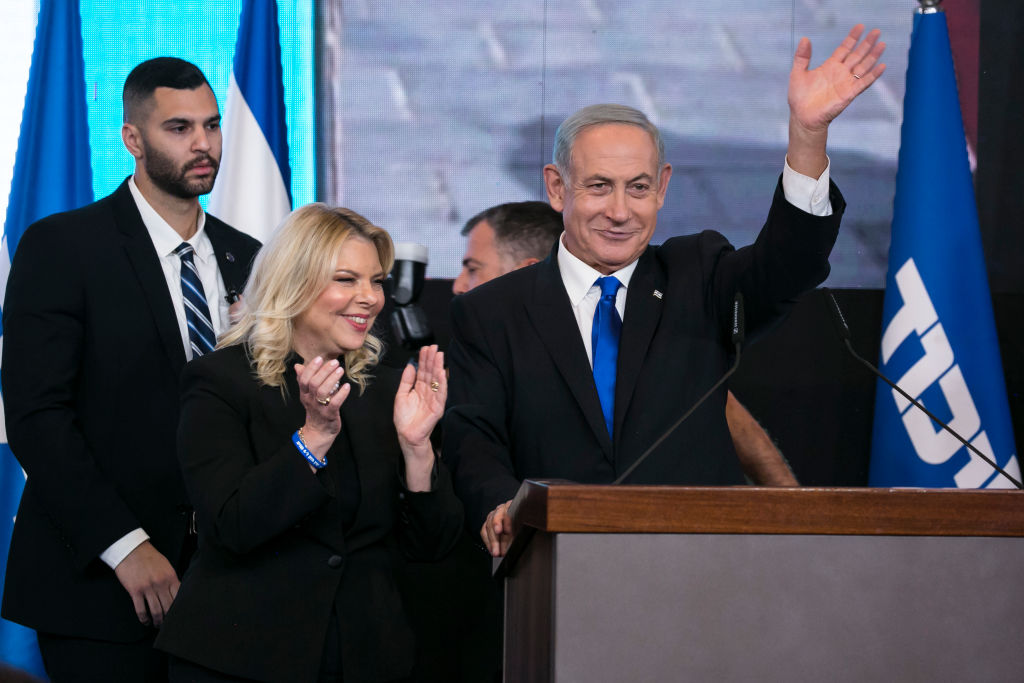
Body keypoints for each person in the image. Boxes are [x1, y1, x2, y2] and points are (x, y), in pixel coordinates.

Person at [444, 25, 886, 557]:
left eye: (638, 188)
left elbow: (789, 265)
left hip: (698, 571)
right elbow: (474, 438)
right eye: (598, 186)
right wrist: (497, 504)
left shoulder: (696, 276)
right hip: (555, 569)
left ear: (664, 187)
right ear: (557, 188)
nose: (620, 211)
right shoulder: (493, 311)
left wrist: (807, 137)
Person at [1, 58, 261, 681]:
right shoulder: (63, 246)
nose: (203, 144)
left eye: (212, 125)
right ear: (133, 139)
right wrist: (126, 546)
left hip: (229, 580)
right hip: (100, 583)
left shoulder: (249, 256)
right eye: (179, 128)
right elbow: (39, 417)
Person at [154, 204, 463, 682]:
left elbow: (432, 546)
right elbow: (231, 525)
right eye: (346, 280)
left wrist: (417, 448)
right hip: (242, 660)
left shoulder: (387, 388)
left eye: (376, 280)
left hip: (366, 658)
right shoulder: (220, 380)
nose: (370, 298)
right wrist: (313, 438)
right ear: (293, 283)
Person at [454, 201, 798, 486]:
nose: (457, 285)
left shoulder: (654, 319)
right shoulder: (481, 345)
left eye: (473, 268)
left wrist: (794, 514)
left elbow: (730, 417)